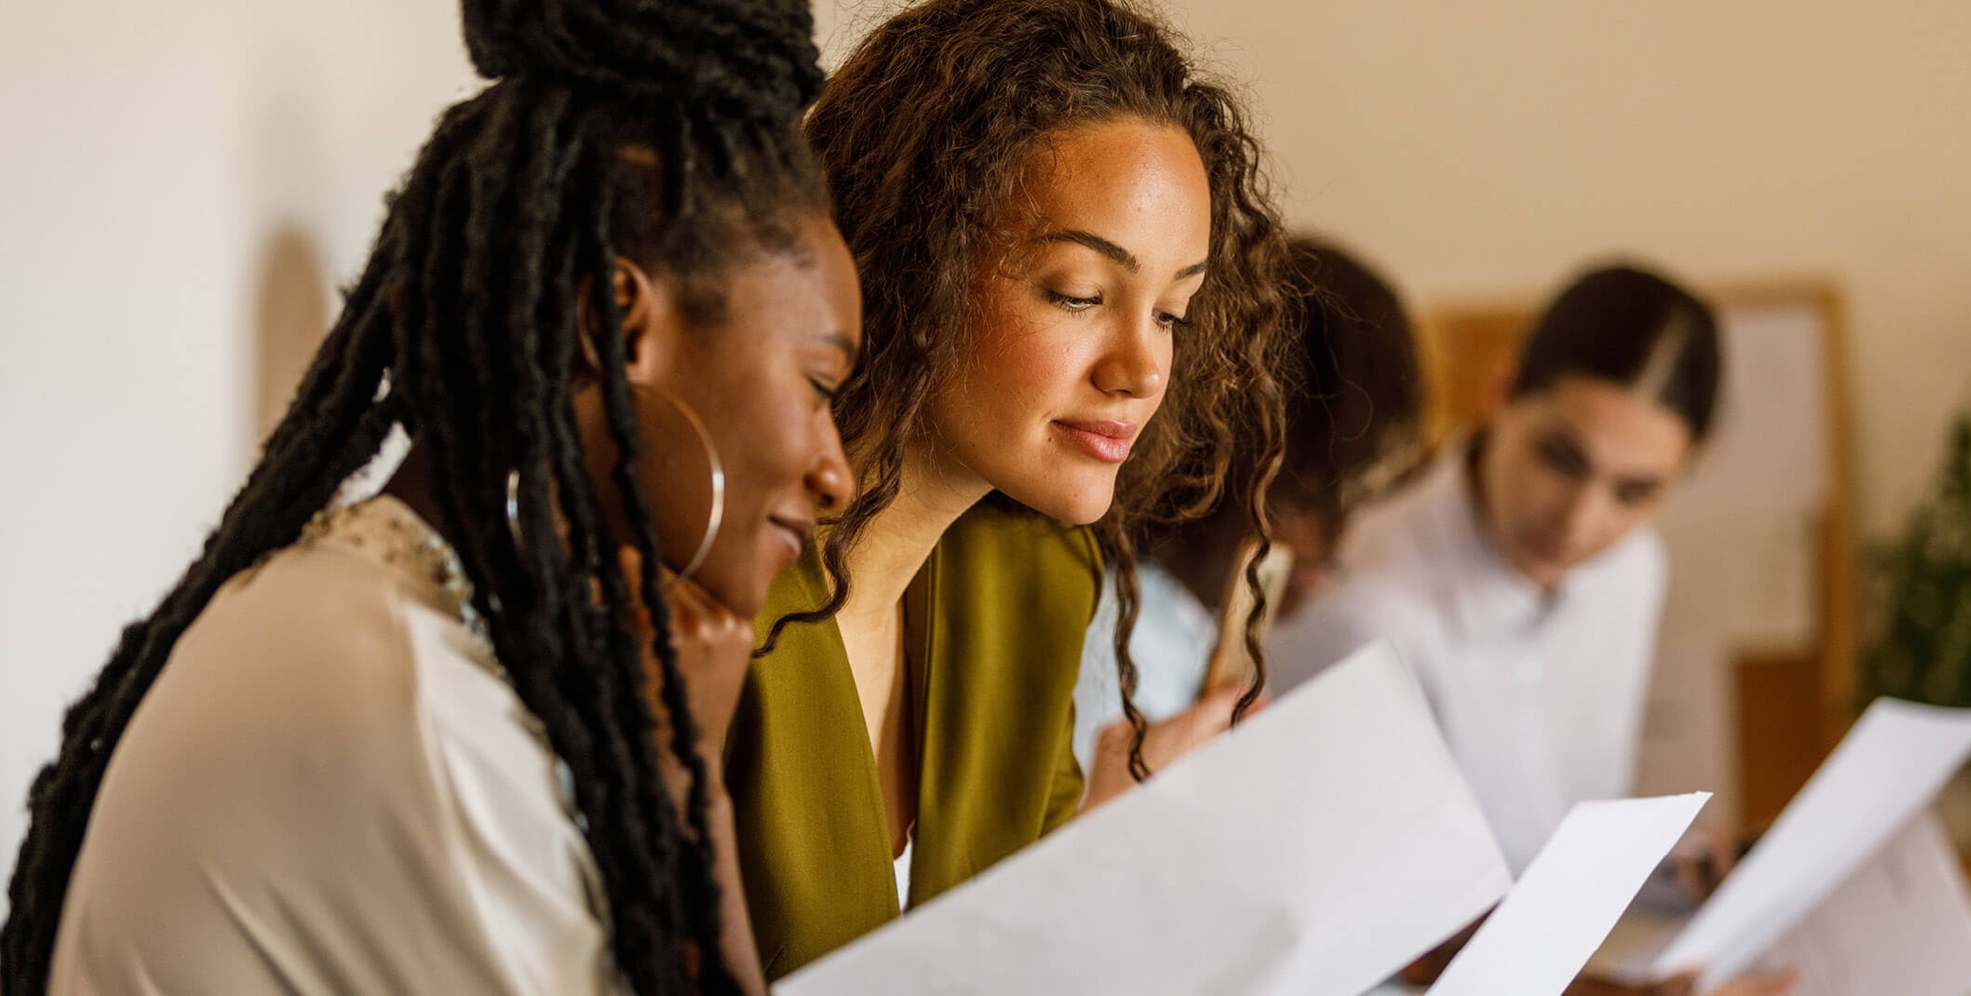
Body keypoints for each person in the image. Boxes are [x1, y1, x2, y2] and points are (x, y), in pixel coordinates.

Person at [2, 1, 858, 993]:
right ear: (616, 328)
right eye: (819, 387)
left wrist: (688, 787)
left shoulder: (405, 618)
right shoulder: (417, 705)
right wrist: (687, 815)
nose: (832, 471)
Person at [721, 0, 1294, 978]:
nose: (1141, 369)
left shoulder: (1029, 576)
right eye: (1077, 292)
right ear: (905, 258)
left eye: (1172, 312)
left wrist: (1107, 853)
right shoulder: (713, 591)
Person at [1271, 263, 1794, 996]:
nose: (1581, 519)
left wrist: (1695, 873)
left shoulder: (1631, 571)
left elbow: (1549, 843)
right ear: (1502, 391)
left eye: (1634, 491)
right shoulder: (1361, 608)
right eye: (1561, 458)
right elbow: (1384, 929)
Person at [1073, 238, 1427, 767]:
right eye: (1309, 494)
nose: (1334, 539)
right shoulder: (1122, 640)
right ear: (1219, 452)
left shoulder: (1197, 625)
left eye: (1357, 494)